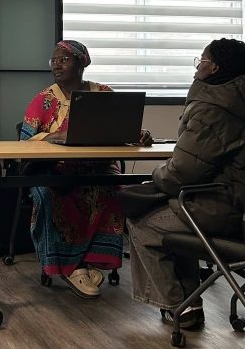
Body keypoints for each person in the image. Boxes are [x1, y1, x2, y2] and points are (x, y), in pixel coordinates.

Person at [125, 38, 245, 329]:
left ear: (213, 68)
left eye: (201, 60)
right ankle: (190, 300)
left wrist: (155, 175)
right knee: (173, 208)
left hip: (226, 212)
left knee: (143, 222)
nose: (197, 67)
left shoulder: (213, 109)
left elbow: (180, 174)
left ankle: (180, 307)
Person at [20, 40, 151, 299]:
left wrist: (139, 134)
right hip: (55, 170)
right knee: (51, 196)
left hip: (99, 168)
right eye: (54, 60)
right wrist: (55, 137)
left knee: (114, 192)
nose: (56, 65)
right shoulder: (43, 100)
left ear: (82, 63)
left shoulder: (104, 94)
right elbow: (24, 143)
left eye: (64, 60)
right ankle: (71, 266)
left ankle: (92, 262)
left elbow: (120, 131)